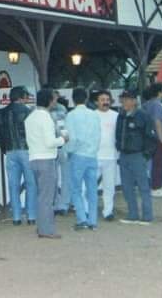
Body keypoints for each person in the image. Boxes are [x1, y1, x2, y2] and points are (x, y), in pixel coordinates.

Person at [25, 88, 65, 238]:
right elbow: (50, 142)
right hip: (46, 159)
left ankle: (42, 226)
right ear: (49, 100)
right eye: (54, 99)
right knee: (47, 197)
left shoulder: (31, 117)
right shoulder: (46, 117)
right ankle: (46, 230)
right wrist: (62, 140)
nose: (55, 101)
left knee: (41, 195)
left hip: (33, 158)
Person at [0, 86, 37, 225]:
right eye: (26, 96)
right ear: (22, 97)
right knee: (31, 183)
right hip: (26, 150)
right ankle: (31, 216)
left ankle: (16, 217)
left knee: (13, 185)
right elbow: (33, 133)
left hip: (10, 151)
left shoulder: (1, 112)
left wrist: (5, 149)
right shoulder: (28, 112)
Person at [115, 89, 156, 225]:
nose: (123, 102)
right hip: (124, 154)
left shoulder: (143, 116)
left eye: (126, 99)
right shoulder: (121, 116)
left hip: (138, 155)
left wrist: (146, 155)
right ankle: (132, 214)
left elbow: (151, 137)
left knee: (143, 186)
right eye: (123, 99)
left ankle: (147, 216)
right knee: (127, 187)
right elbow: (118, 134)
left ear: (134, 101)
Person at [63, 88, 100, 230]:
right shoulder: (94, 115)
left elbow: (71, 138)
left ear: (73, 99)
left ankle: (81, 219)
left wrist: (68, 151)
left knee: (76, 188)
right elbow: (98, 135)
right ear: (87, 98)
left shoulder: (71, 115)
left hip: (77, 155)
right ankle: (93, 220)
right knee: (92, 189)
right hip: (92, 154)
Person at [94, 90, 120, 221]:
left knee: (109, 186)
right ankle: (89, 209)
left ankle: (108, 211)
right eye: (102, 99)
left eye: (107, 100)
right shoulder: (92, 116)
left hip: (111, 156)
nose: (105, 102)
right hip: (95, 156)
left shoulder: (116, 115)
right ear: (96, 102)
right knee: (90, 185)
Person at [142, 84, 162, 197]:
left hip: (149, 136)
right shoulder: (157, 105)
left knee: (153, 164)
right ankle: (156, 187)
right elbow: (158, 122)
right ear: (159, 92)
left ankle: (158, 186)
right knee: (159, 163)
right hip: (157, 137)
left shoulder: (146, 104)